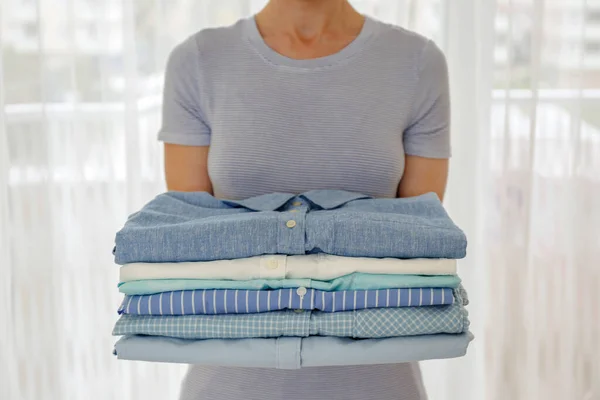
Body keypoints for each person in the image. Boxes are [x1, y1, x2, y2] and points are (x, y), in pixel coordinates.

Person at [159, 0, 451, 398]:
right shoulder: (198, 61)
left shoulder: (417, 63)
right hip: (229, 384)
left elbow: (419, 247)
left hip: (377, 384)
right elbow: (190, 247)